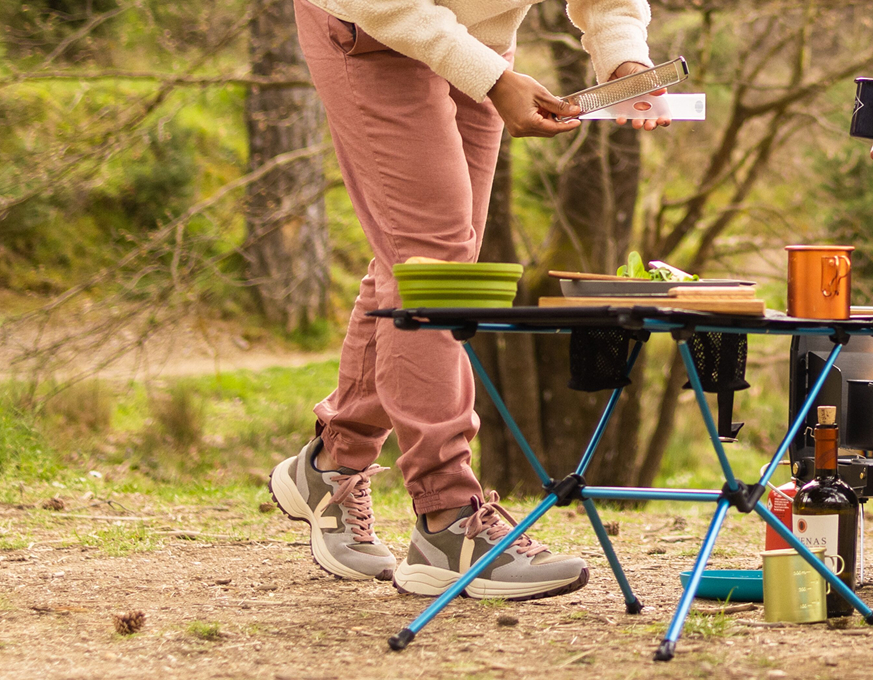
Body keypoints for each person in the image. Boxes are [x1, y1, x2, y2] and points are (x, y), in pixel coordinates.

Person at [267, 0, 667, 600]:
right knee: (433, 262)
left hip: (478, 47)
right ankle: (447, 519)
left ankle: (335, 460)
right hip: (373, 29)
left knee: (424, 265)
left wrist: (622, 57)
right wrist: (495, 80)